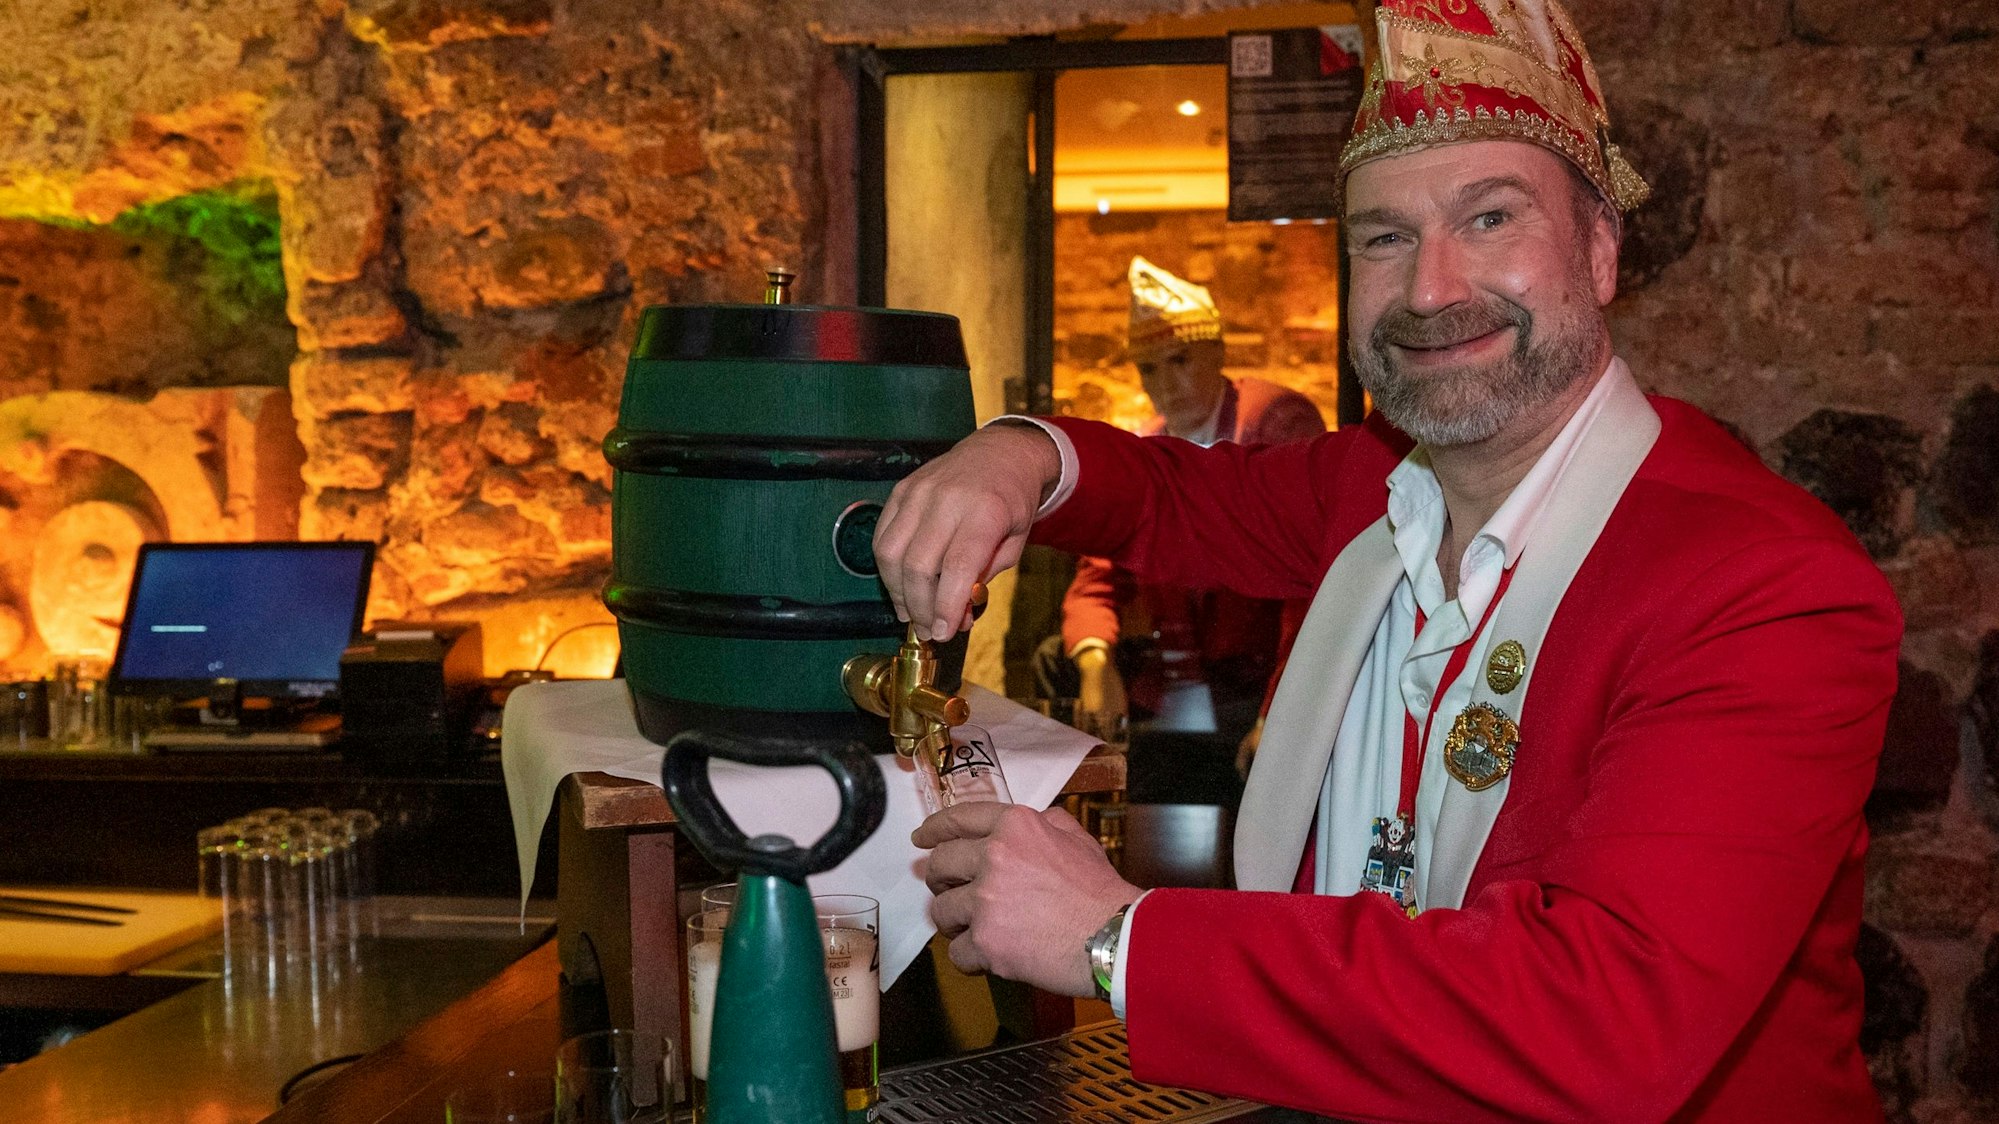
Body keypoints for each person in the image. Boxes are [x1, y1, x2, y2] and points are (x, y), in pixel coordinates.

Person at [871, 1, 1901, 1120]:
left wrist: (1119, 938)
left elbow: (1607, 1021)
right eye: (1383, 237)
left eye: (1489, 217)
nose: (1429, 289)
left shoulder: (1764, 585)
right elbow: (1165, 493)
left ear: (1601, 250)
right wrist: (1018, 454)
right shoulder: (1365, 486)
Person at [1037, 257, 1324, 759]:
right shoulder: (1148, 445)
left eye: (1181, 361)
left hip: (1254, 667)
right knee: (1057, 660)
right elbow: (1097, 574)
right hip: (1184, 667)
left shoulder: (1273, 422)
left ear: (1218, 352)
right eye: (1150, 368)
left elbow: (1310, 582)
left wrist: (1277, 714)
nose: (1166, 384)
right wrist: (1096, 663)